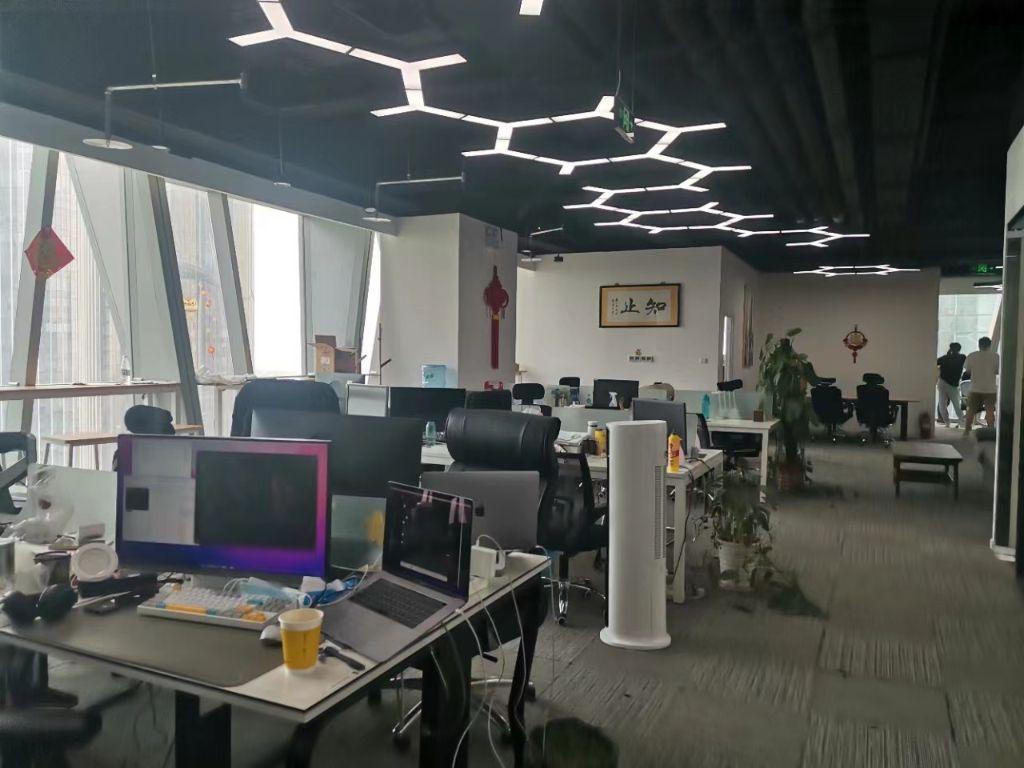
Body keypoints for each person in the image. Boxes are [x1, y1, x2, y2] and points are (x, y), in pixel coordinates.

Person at [963, 336, 999, 432]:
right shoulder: (996, 356)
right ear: (989, 345)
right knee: (990, 410)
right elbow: (998, 371)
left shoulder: (972, 356)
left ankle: (966, 431)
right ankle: (990, 430)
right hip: (990, 389)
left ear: (979, 345)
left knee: (971, 410)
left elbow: (968, 371)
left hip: (975, 387)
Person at [936, 342, 966, 427]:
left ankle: (947, 422)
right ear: (959, 349)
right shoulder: (962, 357)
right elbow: (966, 366)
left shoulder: (944, 358)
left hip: (942, 382)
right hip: (953, 384)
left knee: (942, 404)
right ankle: (962, 422)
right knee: (956, 404)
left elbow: (935, 363)